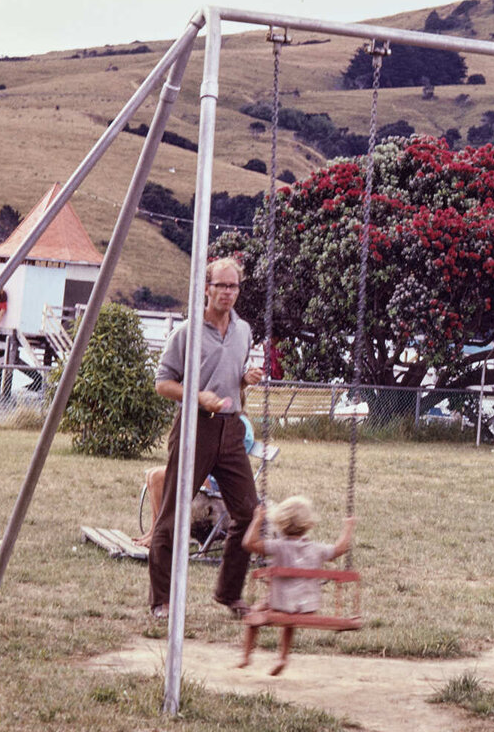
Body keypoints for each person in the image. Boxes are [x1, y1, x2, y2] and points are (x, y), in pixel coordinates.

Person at [146, 257, 265, 621]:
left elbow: (233, 376)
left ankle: (229, 594)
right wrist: (197, 396)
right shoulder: (187, 332)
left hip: (231, 430)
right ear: (207, 288)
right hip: (195, 426)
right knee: (173, 513)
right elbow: (163, 383)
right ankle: (161, 601)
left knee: (249, 513)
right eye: (221, 286)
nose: (228, 293)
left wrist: (247, 378)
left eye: (234, 287)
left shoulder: (243, 331)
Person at [237, 496, 355, 674]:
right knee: (289, 618)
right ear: (308, 524)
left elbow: (248, 543)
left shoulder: (277, 546)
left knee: (254, 613)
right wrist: (348, 527)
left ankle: (246, 656)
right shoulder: (316, 548)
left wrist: (257, 520)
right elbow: (339, 549)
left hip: (279, 603)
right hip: (306, 606)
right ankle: (283, 657)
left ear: (280, 523)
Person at [132, 416, 264, 549]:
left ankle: (162, 534)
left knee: (157, 477)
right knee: (152, 474)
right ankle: (154, 529)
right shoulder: (221, 418)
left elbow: (226, 457)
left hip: (215, 480)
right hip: (204, 471)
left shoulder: (238, 423)